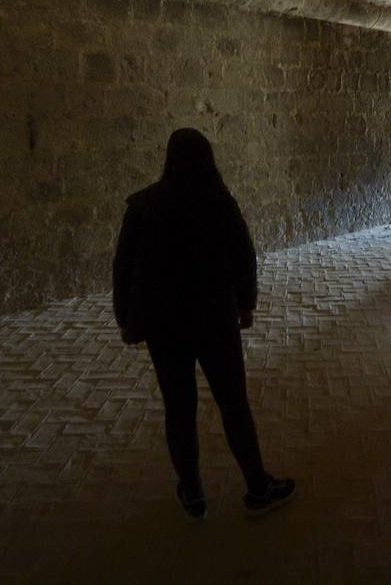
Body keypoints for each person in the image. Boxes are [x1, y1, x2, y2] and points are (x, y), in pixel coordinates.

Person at [112, 127, 296, 520]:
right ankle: (257, 487)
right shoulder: (219, 202)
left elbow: (123, 267)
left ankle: (193, 494)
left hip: (165, 326)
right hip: (214, 320)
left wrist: (127, 319)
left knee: (179, 408)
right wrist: (246, 304)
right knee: (233, 404)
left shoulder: (143, 206)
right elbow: (243, 255)